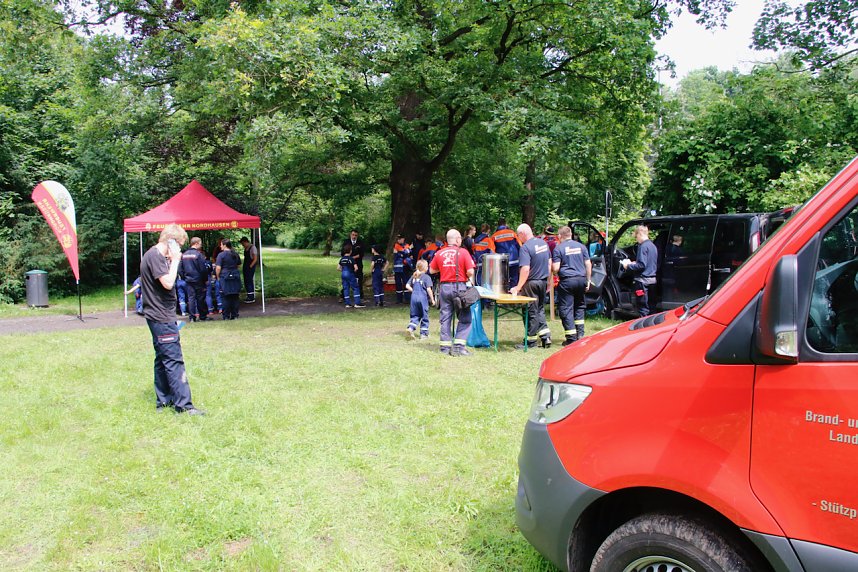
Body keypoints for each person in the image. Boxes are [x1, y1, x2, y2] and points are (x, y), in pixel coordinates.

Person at [139, 223, 203, 415]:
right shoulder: (156, 256)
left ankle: (164, 400)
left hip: (156, 315)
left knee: (162, 359)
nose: (180, 251)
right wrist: (175, 260)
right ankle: (184, 406)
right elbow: (167, 283)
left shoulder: (152, 255)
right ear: (172, 242)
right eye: (179, 245)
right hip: (161, 317)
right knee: (174, 360)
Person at [429, 229, 476, 356]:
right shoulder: (463, 252)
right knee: (465, 318)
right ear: (456, 239)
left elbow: (432, 270)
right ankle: (459, 347)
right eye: (460, 238)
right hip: (459, 287)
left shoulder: (440, 253)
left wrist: (444, 269)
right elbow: (471, 272)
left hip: (444, 288)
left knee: (445, 318)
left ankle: (444, 348)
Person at [510, 223, 552, 349]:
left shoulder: (525, 247)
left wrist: (518, 287)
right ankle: (546, 336)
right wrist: (549, 282)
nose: (519, 238)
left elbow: (525, 269)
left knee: (530, 311)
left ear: (522, 233)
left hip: (531, 283)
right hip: (543, 281)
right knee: (539, 309)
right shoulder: (543, 243)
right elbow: (549, 264)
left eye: (518, 235)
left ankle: (530, 341)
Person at [552, 226, 592, 346]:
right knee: (579, 306)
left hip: (567, 281)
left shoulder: (558, 248)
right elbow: (588, 264)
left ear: (560, 236)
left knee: (566, 308)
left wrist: (554, 272)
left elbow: (556, 268)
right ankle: (580, 335)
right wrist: (588, 280)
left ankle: (571, 338)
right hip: (581, 280)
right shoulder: (581, 246)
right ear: (570, 234)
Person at [620, 225, 658, 316]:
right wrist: (635, 263)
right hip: (652, 280)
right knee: (652, 307)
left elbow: (641, 265)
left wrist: (628, 266)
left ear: (640, 234)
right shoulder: (653, 246)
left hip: (642, 282)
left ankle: (643, 327)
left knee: (643, 308)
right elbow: (648, 263)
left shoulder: (643, 246)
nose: (636, 239)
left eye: (636, 237)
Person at [181, 237, 210, 322]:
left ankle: (192, 317)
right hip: (199, 280)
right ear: (196, 243)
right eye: (200, 243)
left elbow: (180, 269)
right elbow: (203, 269)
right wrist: (205, 279)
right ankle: (202, 316)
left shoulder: (184, 254)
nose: (201, 245)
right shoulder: (198, 255)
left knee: (191, 298)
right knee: (200, 298)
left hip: (189, 280)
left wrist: (184, 277)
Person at [406, 259, 435, 339]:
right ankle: (424, 334)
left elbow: (407, 286)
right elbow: (429, 289)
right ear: (425, 268)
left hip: (413, 298)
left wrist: (413, 290)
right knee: (424, 316)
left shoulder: (414, 276)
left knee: (415, 315)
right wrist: (432, 300)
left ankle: (410, 328)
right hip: (422, 298)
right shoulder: (426, 277)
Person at [490, 218, 521, 289]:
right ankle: (513, 295)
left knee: (502, 280)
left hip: (502, 261)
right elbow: (519, 246)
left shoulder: (494, 236)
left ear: (498, 225)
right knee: (514, 279)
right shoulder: (512, 233)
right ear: (505, 224)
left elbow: (492, 251)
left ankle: (503, 295)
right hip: (514, 261)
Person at [216, 239, 242, 320]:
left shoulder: (221, 255)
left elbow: (218, 268)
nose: (220, 246)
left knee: (225, 296)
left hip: (225, 277)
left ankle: (226, 316)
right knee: (235, 296)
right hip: (235, 276)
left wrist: (218, 276)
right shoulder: (235, 254)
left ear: (224, 245)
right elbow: (239, 265)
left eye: (221, 244)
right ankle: (235, 315)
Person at [341, 229, 366, 300]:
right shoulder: (346, 242)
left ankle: (360, 296)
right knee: (346, 281)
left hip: (358, 264)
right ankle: (343, 296)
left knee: (359, 280)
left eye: (356, 235)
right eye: (353, 235)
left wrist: (353, 258)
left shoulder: (360, 243)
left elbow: (361, 254)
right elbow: (342, 253)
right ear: (350, 235)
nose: (354, 236)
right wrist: (349, 259)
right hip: (347, 265)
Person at [339, 243, 365, 308]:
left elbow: (338, 268)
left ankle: (347, 303)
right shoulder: (351, 259)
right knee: (355, 288)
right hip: (350, 274)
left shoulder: (342, 259)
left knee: (346, 288)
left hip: (343, 274)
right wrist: (353, 271)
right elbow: (356, 268)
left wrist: (343, 271)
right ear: (350, 251)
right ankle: (357, 303)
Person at [393, 234, 412, 304]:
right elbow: (405, 252)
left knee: (406, 282)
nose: (399, 240)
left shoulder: (406, 245)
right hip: (398, 268)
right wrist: (405, 252)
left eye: (400, 238)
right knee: (398, 283)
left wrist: (404, 253)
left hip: (405, 267)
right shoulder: (396, 245)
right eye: (398, 239)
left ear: (403, 239)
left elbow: (409, 252)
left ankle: (407, 299)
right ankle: (399, 300)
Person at [239, 236, 258, 303]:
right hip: (245, 266)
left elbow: (255, 259)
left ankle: (251, 297)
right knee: (246, 281)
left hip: (250, 267)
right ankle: (248, 295)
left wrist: (250, 266)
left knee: (249, 281)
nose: (242, 245)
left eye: (243, 244)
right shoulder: (246, 248)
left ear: (245, 242)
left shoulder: (253, 248)